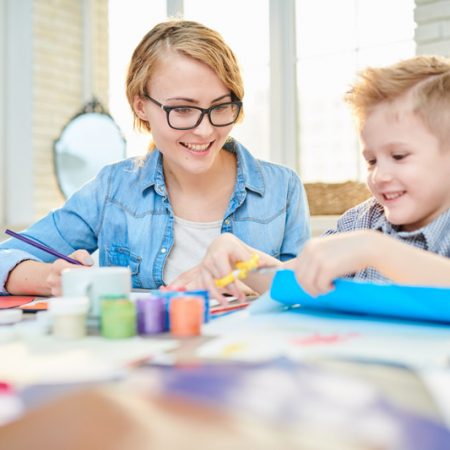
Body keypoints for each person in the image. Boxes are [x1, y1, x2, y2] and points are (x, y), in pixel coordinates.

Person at [0, 19, 310, 297]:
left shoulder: (282, 188)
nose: (204, 130)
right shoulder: (113, 188)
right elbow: (5, 258)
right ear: (140, 106)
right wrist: (50, 278)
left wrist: (248, 279)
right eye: (183, 110)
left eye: (220, 107)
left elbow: (309, 289)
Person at [190, 55, 450, 301]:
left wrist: (374, 249)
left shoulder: (365, 240)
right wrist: (243, 261)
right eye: (371, 161)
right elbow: (297, 278)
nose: (379, 175)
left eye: (399, 156)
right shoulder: (361, 221)